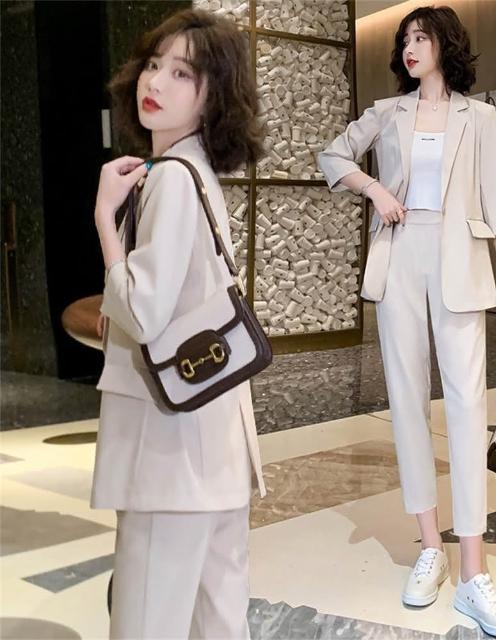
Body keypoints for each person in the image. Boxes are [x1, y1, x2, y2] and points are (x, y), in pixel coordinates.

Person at [318, 5, 496, 638]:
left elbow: (495, 199)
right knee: (407, 402)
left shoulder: (479, 116)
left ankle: (473, 574)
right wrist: (376, 190)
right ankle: (430, 548)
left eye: (421, 37)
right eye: (405, 38)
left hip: (460, 259)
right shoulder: (387, 112)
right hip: (402, 258)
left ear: (445, 46)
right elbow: (333, 155)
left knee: (466, 406)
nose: (410, 47)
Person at [90, 9, 265, 639]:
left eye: (182, 73)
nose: (155, 81)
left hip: (168, 455)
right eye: (154, 64)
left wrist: (105, 220)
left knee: (146, 624)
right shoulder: (199, 174)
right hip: (214, 443)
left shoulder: (169, 180)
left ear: (213, 95)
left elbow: (142, 311)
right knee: (219, 622)